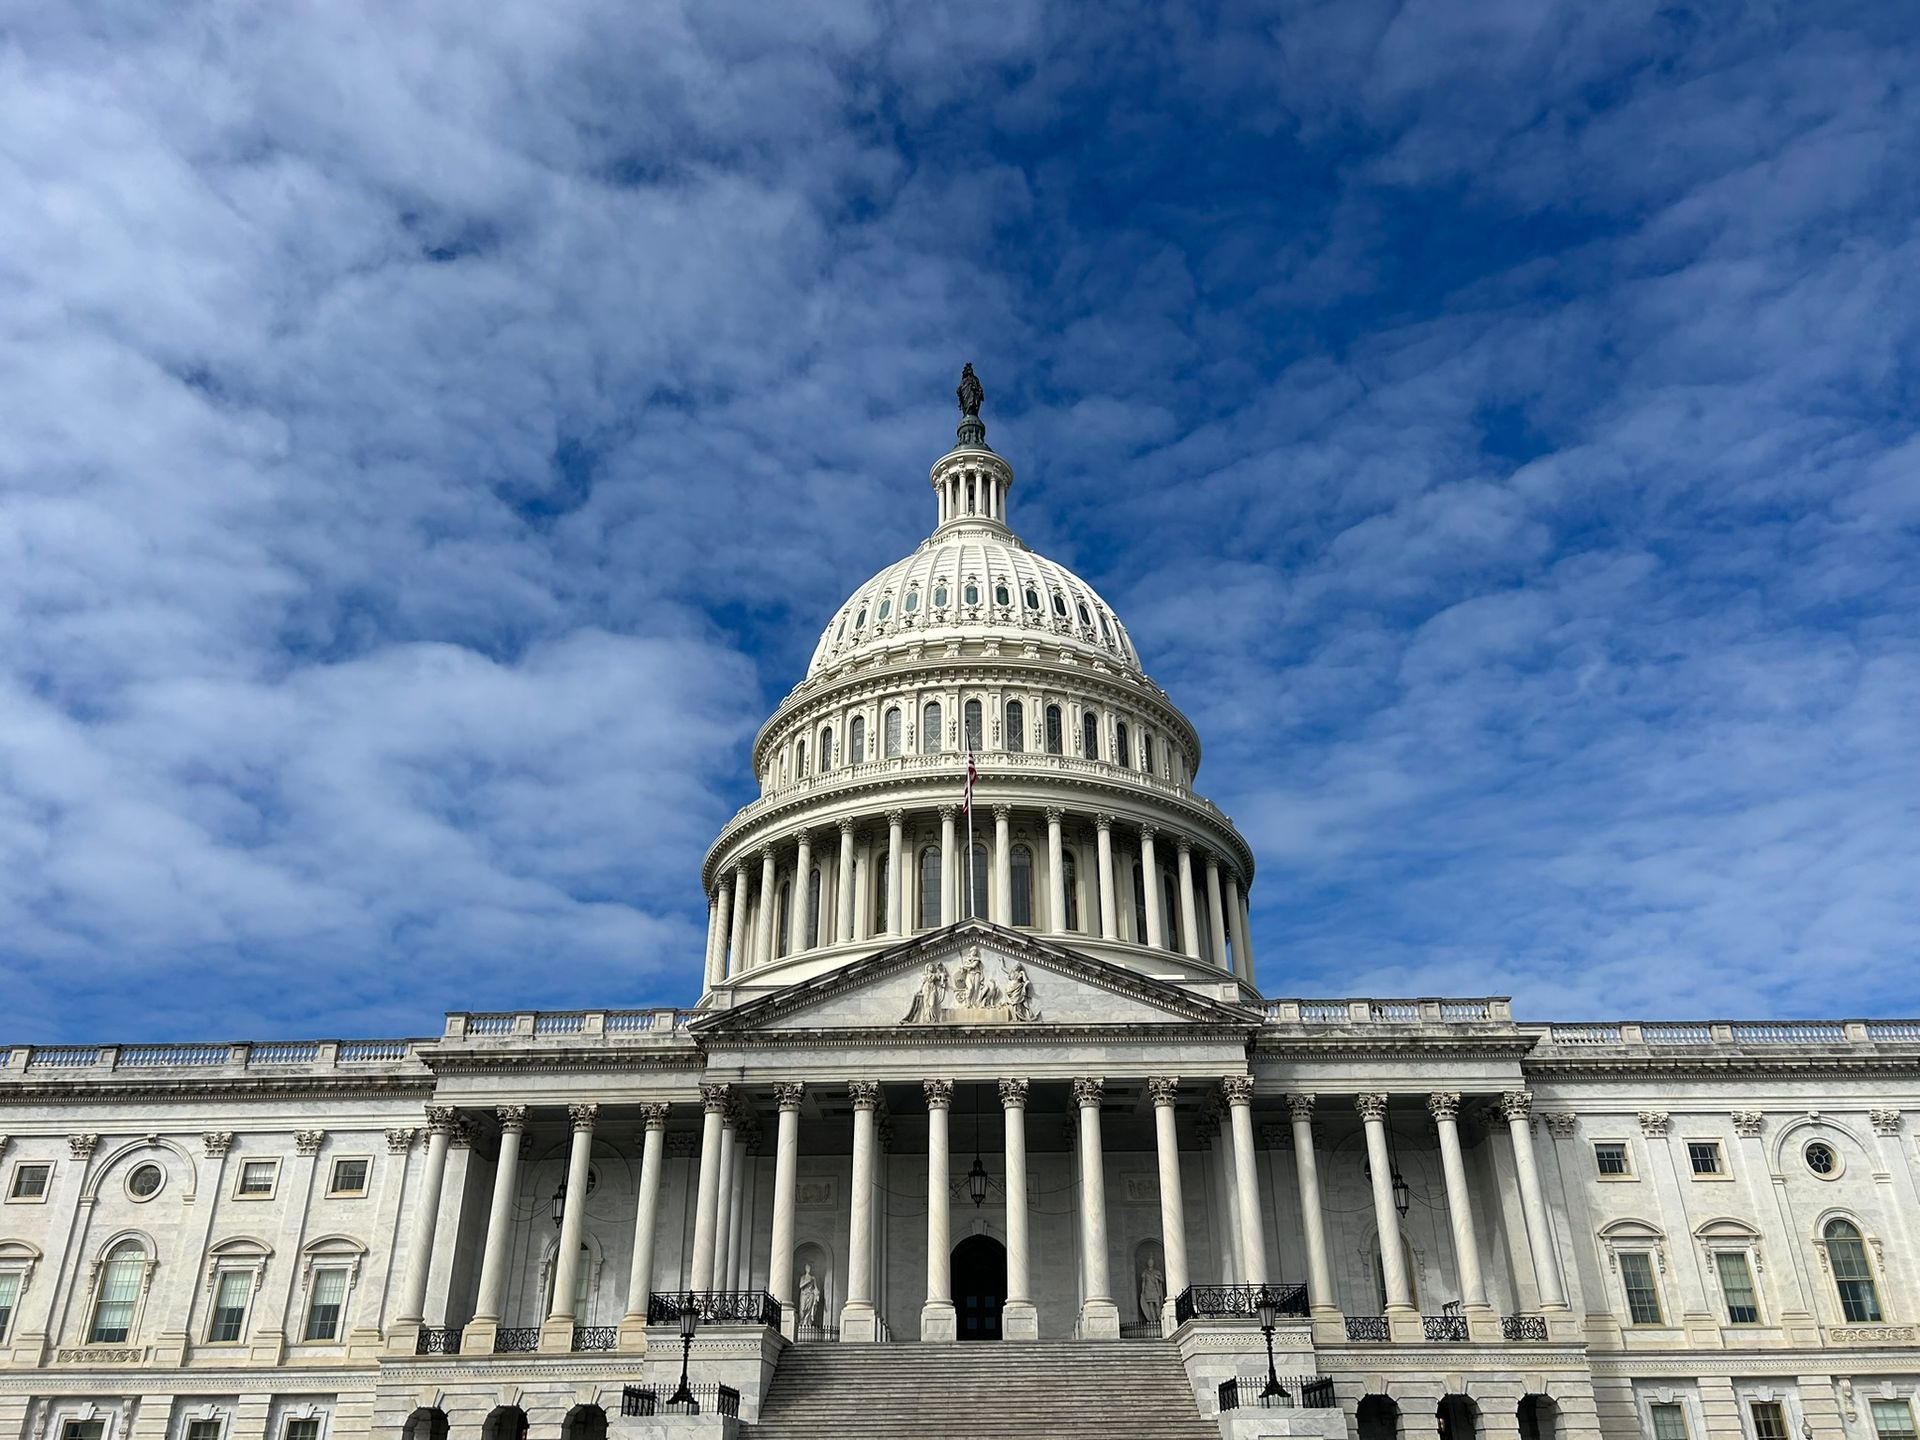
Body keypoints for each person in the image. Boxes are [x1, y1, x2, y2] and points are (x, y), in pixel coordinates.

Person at [1138, 1255, 1165, 1323]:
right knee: (1151, 1305)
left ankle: (1159, 1317)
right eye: (1149, 1262)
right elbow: (1143, 1282)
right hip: (1148, 1290)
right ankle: (1153, 1320)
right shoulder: (1145, 1272)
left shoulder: (1157, 1272)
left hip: (1156, 1289)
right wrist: (1143, 1291)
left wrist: (1158, 1277)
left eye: (1151, 1262)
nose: (1150, 1264)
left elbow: (1162, 1280)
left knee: (1157, 1304)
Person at [798, 1263, 823, 1330]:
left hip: (811, 1294)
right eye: (807, 1268)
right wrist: (807, 1281)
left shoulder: (813, 1278)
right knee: (803, 1309)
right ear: (805, 1269)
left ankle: (807, 1323)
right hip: (804, 1294)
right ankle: (802, 1321)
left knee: (809, 1309)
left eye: (810, 1268)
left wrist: (817, 1294)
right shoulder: (803, 1277)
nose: (809, 1269)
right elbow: (800, 1286)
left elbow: (816, 1287)